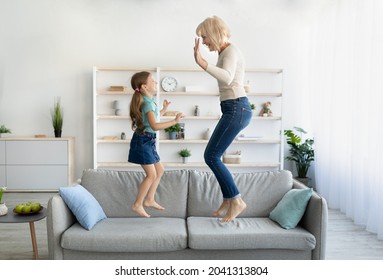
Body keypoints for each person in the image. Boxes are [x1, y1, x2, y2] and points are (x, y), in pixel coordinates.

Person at [193, 16, 252, 222]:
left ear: (214, 32)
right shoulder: (225, 52)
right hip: (233, 108)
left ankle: (236, 200)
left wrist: (202, 63)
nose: (204, 41)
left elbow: (227, 77)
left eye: (204, 36)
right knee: (212, 156)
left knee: (211, 156)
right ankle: (228, 199)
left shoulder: (231, 51)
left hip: (237, 108)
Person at [128, 71, 184, 218]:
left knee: (160, 170)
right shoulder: (146, 103)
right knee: (151, 175)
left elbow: (152, 118)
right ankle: (137, 204)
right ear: (144, 87)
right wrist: (175, 121)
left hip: (148, 141)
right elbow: (154, 126)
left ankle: (149, 199)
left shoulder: (150, 101)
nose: (156, 83)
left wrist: (164, 110)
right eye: (153, 81)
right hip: (143, 141)